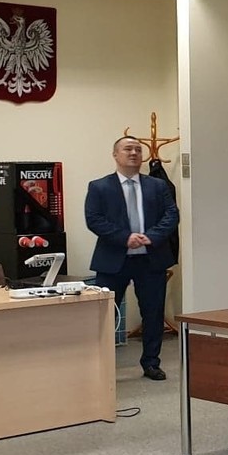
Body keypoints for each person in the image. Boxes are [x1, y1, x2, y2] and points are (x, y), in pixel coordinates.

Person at [86, 136, 180, 381]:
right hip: (113, 260)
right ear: (115, 154)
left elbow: (171, 215)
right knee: (106, 314)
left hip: (151, 259)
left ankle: (151, 363)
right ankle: (102, 365)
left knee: (153, 312)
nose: (134, 153)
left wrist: (152, 236)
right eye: (128, 149)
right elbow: (94, 219)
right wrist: (124, 237)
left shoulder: (157, 186)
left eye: (138, 149)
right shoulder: (99, 187)